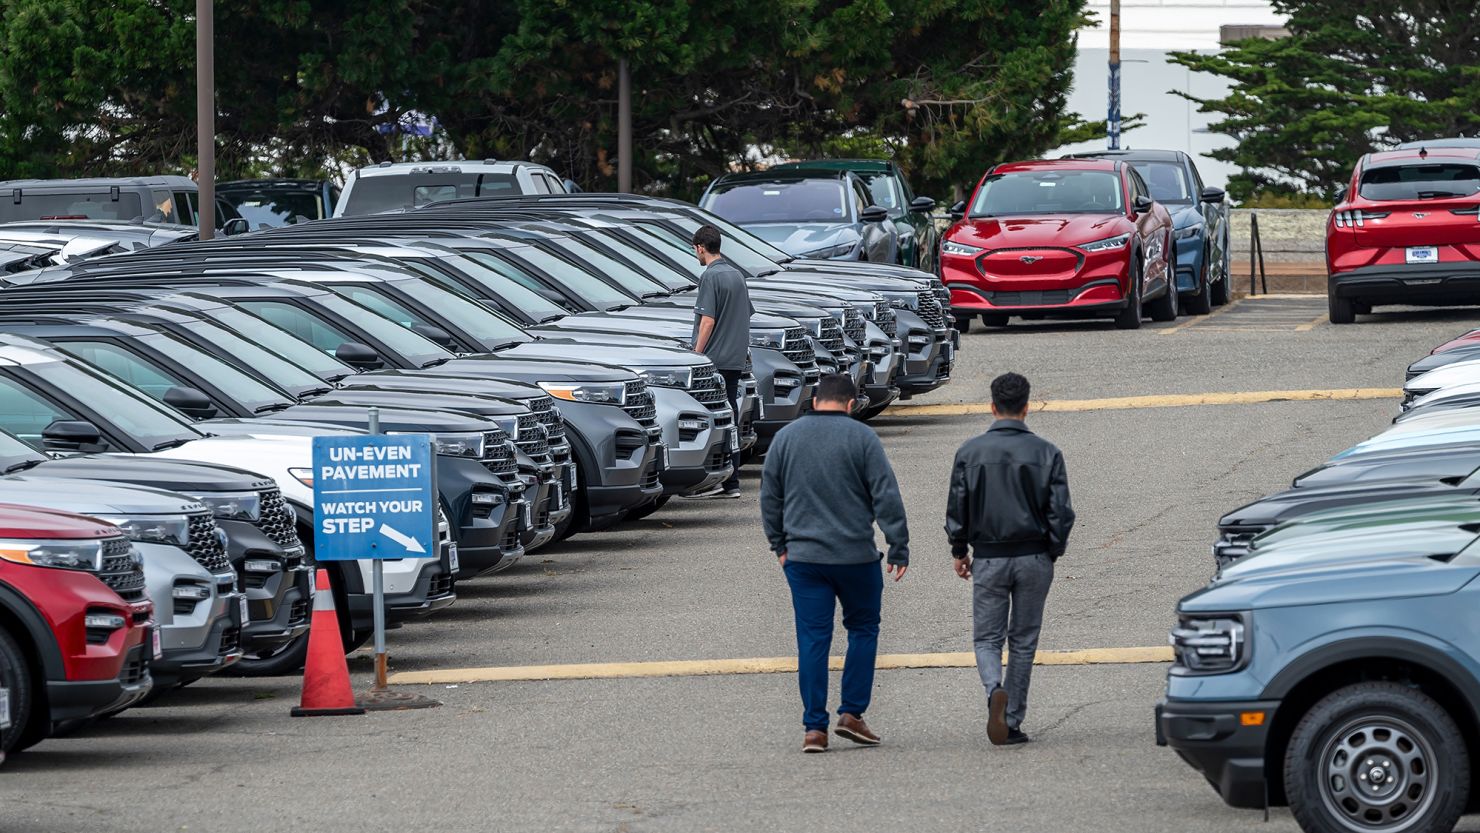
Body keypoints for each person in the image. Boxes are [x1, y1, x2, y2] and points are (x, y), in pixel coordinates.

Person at [760, 374, 910, 753]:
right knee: (863, 629)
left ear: (814, 401)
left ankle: (814, 729)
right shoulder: (862, 438)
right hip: (855, 557)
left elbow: (770, 498)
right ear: (850, 403)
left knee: (812, 639)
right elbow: (885, 494)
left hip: (804, 559)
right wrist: (898, 546)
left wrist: (779, 545)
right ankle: (852, 713)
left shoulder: (786, 438)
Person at [945, 372, 1074, 746]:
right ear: (1027, 406)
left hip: (989, 555)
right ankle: (1013, 717)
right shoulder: (1047, 452)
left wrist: (960, 549)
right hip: (1034, 554)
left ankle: (992, 692)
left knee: (987, 637)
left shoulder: (970, 452)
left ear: (992, 407)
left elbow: (958, 507)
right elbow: (1060, 512)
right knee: (1023, 639)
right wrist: (1053, 549)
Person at [683, 224, 754, 500]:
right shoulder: (736, 275)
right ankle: (731, 481)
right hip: (735, 358)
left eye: (695, 250)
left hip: (714, 359)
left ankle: (715, 478)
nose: (696, 254)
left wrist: (697, 356)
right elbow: (746, 314)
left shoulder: (710, 277)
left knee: (711, 420)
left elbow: (707, 321)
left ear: (701, 247)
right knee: (730, 417)